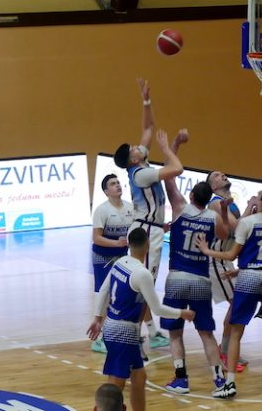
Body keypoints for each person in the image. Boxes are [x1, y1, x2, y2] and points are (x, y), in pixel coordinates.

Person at [196, 186, 262, 399]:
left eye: (259, 195)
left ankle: (230, 383)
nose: (255, 197)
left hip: (249, 279)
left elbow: (231, 255)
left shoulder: (247, 223)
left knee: (237, 330)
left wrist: (207, 251)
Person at [87, 228, 195, 411]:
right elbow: (157, 308)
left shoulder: (120, 262)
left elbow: (103, 290)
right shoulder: (142, 274)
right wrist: (182, 313)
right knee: (116, 383)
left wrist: (98, 318)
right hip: (123, 331)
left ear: (129, 244)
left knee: (139, 377)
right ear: (148, 245)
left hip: (113, 325)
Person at [113, 78, 183, 349]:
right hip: (146, 230)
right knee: (144, 284)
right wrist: (167, 149)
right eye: (134, 149)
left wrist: (146, 99)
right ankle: (137, 332)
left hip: (150, 226)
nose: (138, 146)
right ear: (133, 159)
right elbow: (177, 169)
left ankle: (149, 332)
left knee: (144, 283)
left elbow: (148, 127)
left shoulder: (138, 162)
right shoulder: (140, 174)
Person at [160, 158, 229, 395]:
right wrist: (223, 210)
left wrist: (172, 149)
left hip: (177, 278)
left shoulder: (180, 208)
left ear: (190, 196)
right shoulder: (213, 217)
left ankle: (181, 379)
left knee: (175, 333)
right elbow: (225, 234)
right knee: (206, 333)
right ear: (209, 199)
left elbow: (168, 179)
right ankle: (219, 381)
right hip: (201, 280)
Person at [205, 170, 255, 372]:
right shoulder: (216, 203)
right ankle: (225, 350)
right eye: (217, 175)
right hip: (216, 260)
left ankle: (225, 348)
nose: (222, 175)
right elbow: (236, 227)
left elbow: (240, 226)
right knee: (237, 303)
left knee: (237, 304)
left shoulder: (228, 202)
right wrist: (251, 206)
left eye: (222, 173)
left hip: (225, 260)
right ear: (213, 186)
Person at [90, 174, 134, 353]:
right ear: (106, 191)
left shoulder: (130, 208)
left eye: (118, 183)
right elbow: (96, 238)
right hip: (103, 258)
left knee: (119, 297)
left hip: (122, 257)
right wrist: (116, 243)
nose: (117, 185)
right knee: (106, 296)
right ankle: (100, 338)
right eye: (113, 184)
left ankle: (113, 333)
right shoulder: (102, 210)